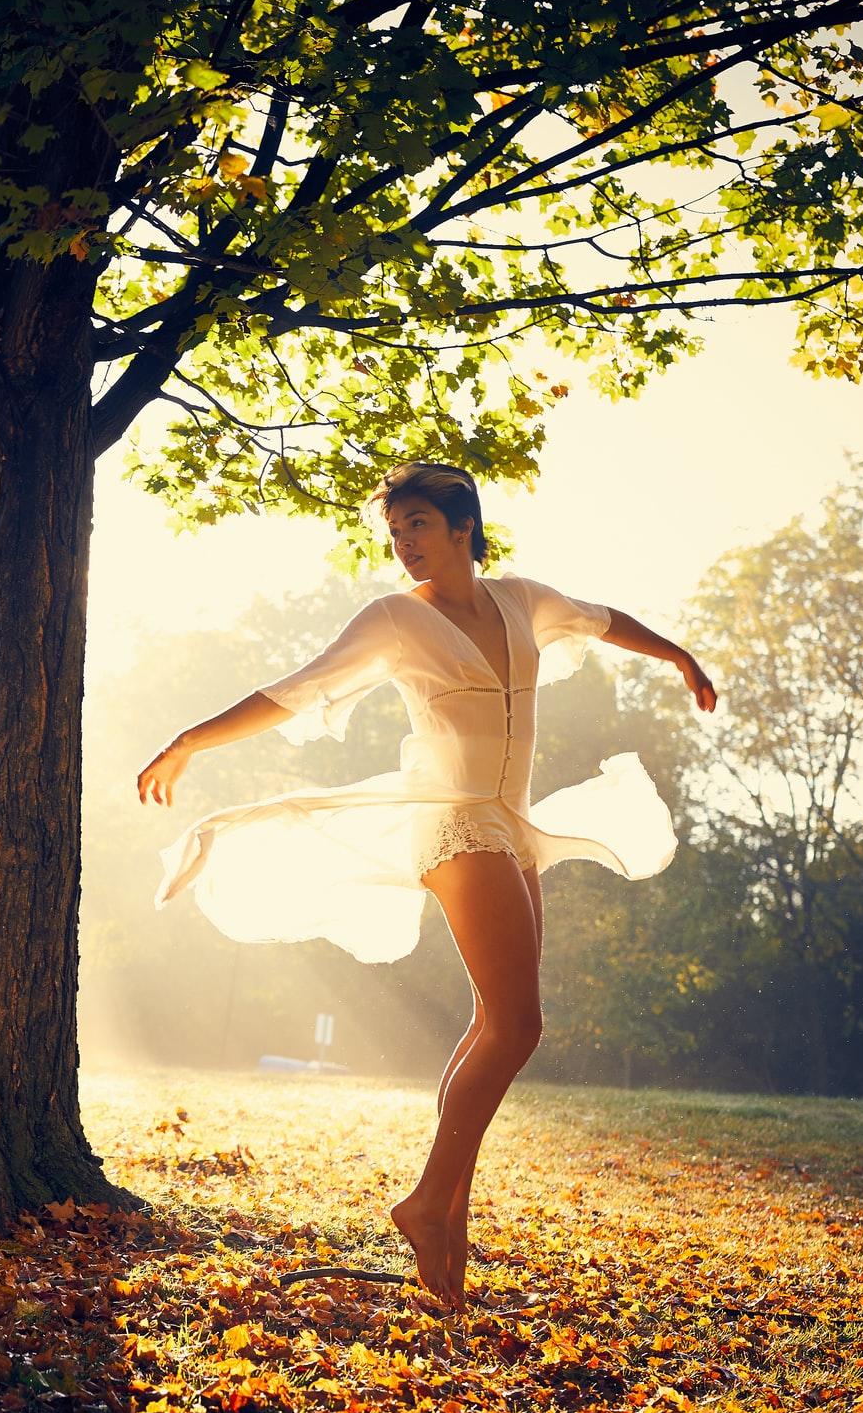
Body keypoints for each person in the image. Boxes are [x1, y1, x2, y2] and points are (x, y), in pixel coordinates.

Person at [136, 462, 718, 1310]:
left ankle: (449, 1210)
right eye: (394, 530)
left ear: (461, 527)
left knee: (496, 1022)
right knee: (520, 1024)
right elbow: (294, 691)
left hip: (514, 827)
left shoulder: (522, 600)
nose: (401, 543)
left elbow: (601, 620)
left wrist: (679, 656)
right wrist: (190, 739)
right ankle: (426, 1202)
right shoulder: (394, 620)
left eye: (415, 524)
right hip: (455, 823)